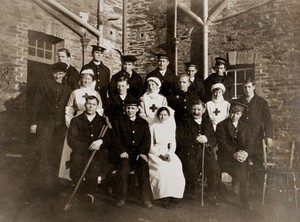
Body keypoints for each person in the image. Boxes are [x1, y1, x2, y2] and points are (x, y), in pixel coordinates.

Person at [28, 62, 71, 193]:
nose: (58, 75)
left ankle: (54, 182)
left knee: (57, 151)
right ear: (53, 73)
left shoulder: (68, 87)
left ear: (64, 74)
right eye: (56, 73)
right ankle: (41, 181)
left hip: (60, 125)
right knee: (43, 150)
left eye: (61, 73)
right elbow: (36, 104)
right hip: (45, 122)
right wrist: (34, 122)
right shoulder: (45, 84)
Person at [58, 68, 104, 181]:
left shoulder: (96, 93)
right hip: (78, 123)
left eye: (89, 78)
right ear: (81, 79)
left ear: (92, 80)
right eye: (84, 78)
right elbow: (69, 109)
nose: (86, 80)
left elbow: (100, 110)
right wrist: (69, 124)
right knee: (75, 150)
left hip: (92, 123)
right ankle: (70, 177)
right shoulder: (75, 93)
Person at [111, 97, 153, 208]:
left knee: (143, 167)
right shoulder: (118, 122)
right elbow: (115, 138)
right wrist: (121, 150)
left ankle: (145, 198)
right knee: (123, 168)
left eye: (133, 108)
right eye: (128, 108)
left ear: (138, 109)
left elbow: (146, 140)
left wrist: (142, 152)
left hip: (138, 154)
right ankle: (121, 197)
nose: (130, 110)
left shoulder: (143, 123)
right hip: (123, 154)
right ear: (125, 109)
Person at [67, 96, 110, 203]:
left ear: (97, 106)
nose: (90, 106)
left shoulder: (103, 121)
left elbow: (109, 139)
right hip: (80, 152)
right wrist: (87, 146)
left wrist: (101, 141)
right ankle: (81, 191)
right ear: (85, 105)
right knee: (75, 166)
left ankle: (90, 194)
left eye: (93, 104)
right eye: (89, 103)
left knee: (94, 169)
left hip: (97, 154)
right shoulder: (76, 120)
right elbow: (71, 140)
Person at [176, 100, 220, 205]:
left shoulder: (207, 122)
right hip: (189, 152)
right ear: (191, 110)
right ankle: (191, 191)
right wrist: (195, 139)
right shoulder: (184, 122)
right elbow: (179, 138)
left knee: (215, 169)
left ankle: (211, 194)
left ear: (204, 110)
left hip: (206, 153)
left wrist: (207, 139)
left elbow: (214, 138)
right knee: (191, 167)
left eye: (199, 109)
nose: (196, 112)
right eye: (194, 109)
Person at [236, 78, 273, 194]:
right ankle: (244, 190)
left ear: (254, 87)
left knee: (257, 163)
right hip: (242, 137)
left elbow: (267, 121)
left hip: (257, 137)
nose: (246, 89)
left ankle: (257, 190)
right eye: (244, 87)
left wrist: (269, 136)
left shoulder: (261, 102)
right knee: (242, 162)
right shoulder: (239, 101)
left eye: (249, 87)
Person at [216, 101, 253, 210]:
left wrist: (245, 153)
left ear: (241, 114)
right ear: (229, 112)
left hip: (241, 158)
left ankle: (244, 200)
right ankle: (237, 187)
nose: (234, 116)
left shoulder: (245, 127)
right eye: (232, 112)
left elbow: (249, 143)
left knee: (242, 166)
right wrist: (234, 153)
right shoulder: (221, 125)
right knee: (241, 169)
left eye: (237, 114)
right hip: (226, 158)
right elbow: (222, 144)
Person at [148, 106, 185, 207]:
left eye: (165, 115)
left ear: (168, 116)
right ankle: (162, 196)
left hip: (167, 152)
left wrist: (169, 154)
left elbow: (173, 143)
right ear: (157, 115)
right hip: (155, 153)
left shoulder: (170, 127)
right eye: (161, 114)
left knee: (176, 166)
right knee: (161, 169)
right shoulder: (153, 127)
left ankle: (175, 195)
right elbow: (150, 145)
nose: (162, 117)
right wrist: (160, 155)